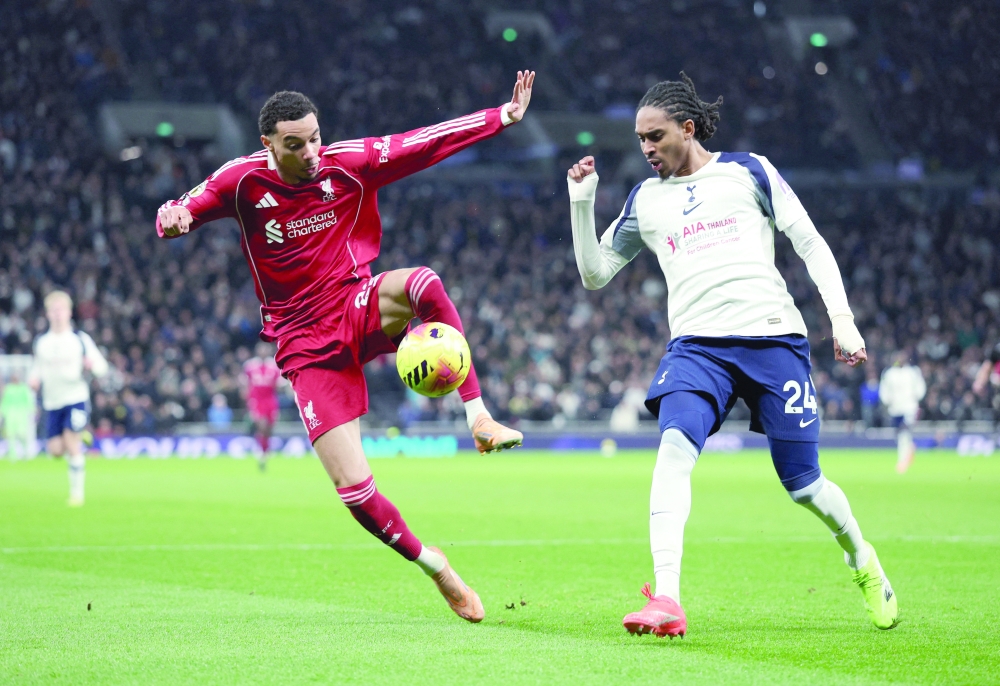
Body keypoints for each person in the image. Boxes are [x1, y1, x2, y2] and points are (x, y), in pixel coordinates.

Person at [155, 71, 535, 623]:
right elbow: (189, 204)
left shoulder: (347, 163)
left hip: (353, 303)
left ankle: (478, 416)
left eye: (314, 137)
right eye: (294, 144)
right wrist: (176, 216)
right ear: (268, 146)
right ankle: (436, 567)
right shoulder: (242, 182)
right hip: (302, 343)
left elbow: (424, 143)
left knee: (423, 283)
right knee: (355, 492)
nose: (310, 152)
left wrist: (501, 116)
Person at [567, 73, 898, 636]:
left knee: (804, 485)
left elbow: (811, 242)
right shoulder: (645, 200)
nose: (646, 149)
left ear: (687, 128)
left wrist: (841, 320)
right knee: (674, 448)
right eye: (640, 140)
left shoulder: (750, 170)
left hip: (774, 341)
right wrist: (581, 202)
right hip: (697, 348)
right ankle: (666, 596)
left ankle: (861, 558)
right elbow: (595, 275)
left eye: (655, 136)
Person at [27, 291, 109, 506]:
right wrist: (33, 380)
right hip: (52, 402)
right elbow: (36, 368)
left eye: (61, 309)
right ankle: (82, 434)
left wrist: (93, 366)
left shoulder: (79, 340)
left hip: (76, 398)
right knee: (54, 451)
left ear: (69, 312)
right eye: (53, 310)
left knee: (72, 446)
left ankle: (77, 495)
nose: (57, 314)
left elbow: (102, 367)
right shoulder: (42, 342)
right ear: (47, 314)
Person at [879, 351, 926, 473]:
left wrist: (916, 398)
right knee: (900, 435)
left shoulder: (912, 372)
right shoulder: (889, 373)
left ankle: (903, 461)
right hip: (895, 409)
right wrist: (887, 401)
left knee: (904, 431)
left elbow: (920, 388)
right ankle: (909, 452)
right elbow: (884, 390)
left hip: (909, 407)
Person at [242, 342, 282, 471]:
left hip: (270, 400)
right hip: (257, 400)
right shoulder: (250, 366)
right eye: (261, 349)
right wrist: (248, 400)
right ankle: (261, 454)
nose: (263, 351)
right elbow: (246, 384)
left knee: (269, 429)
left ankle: (265, 452)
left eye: (265, 349)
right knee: (262, 426)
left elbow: (278, 385)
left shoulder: (275, 365)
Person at [1, 372, 36, 460]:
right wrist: (2, 413)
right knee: (11, 435)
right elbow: (4, 402)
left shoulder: (23, 388)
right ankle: (13, 455)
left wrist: (32, 410)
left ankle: (25, 452)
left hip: (21, 414)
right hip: (10, 414)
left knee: (22, 434)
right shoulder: (8, 389)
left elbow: (28, 401)